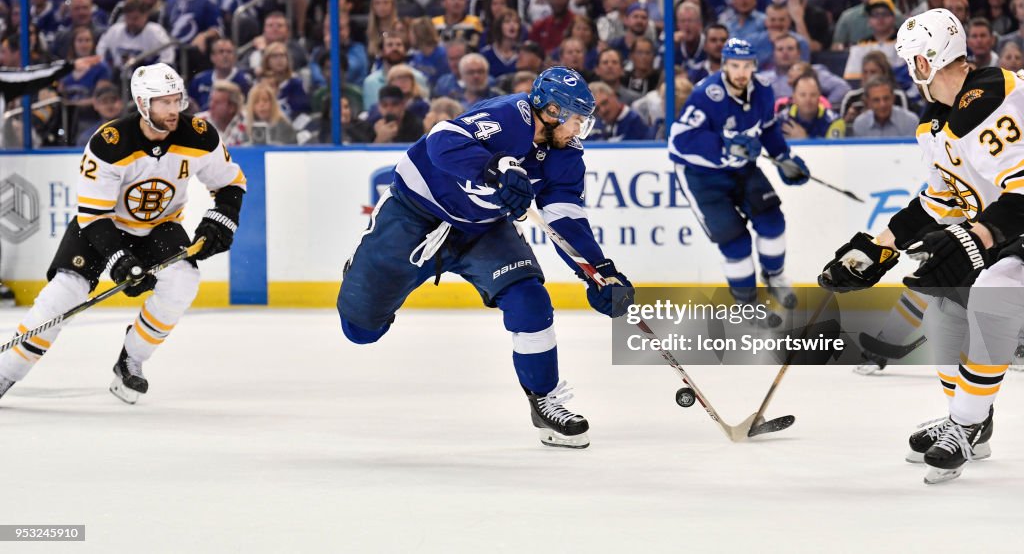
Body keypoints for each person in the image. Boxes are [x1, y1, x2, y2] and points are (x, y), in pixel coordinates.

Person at [336, 67, 634, 449]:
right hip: (415, 215)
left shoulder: (566, 154)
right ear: (553, 111)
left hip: (482, 229)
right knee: (360, 330)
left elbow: (566, 219)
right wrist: (492, 166)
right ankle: (363, 266)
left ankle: (544, 400)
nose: (579, 131)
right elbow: (442, 138)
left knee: (530, 299)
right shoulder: (510, 116)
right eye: (576, 120)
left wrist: (598, 271)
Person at [817, 7, 1024, 483]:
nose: (911, 75)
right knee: (945, 305)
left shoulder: (991, 99)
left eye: (912, 63)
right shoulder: (938, 124)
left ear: (925, 64)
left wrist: (977, 237)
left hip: (1014, 232)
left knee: (992, 293)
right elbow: (941, 200)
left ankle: (966, 424)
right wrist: (876, 248)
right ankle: (972, 421)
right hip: (1008, 231)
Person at [0, 63, 245, 405]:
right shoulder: (109, 143)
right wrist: (119, 261)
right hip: (100, 228)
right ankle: (6, 372)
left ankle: (132, 358)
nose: (174, 110)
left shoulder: (200, 136)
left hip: (159, 228)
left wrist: (222, 219)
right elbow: (95, 216)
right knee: (62, 296)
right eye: (164, 102)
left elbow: (230, 182)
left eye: (176, 100)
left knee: (183, 282)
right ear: (143, 104)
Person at [668, 38, 809, 316]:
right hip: (701, 177)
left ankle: (774, 276)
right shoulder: (705, 95)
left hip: (742, 170)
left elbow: (767, 128)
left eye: (746, 66)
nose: (741, 72)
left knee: (772, 221)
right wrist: (723, 148)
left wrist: (783, 157)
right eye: (735, 66)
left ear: (755, 66)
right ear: (724, 65)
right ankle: (746, 304)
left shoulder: (763, 91)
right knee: (735, 242)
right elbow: (678, 141)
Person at [849, 76, 919, 137]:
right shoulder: (860, 124)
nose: (882, 104)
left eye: (886, 98)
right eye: (876, 100)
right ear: (868, 102)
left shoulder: (911, 121)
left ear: (893, 98)